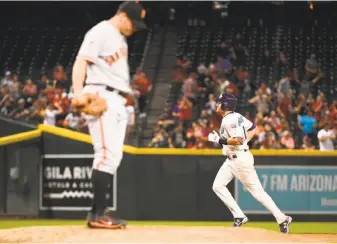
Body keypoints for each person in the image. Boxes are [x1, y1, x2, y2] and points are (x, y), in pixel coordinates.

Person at [71, 1, 147, 229]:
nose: (135, 28)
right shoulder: (101, 31)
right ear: (123, 16)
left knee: (113, 157)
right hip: (101, 95)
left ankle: (97, 213)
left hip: (118, 99)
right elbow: (81, 60)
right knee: (105, 154)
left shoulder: (120, 38)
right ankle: (97, 215)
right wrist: (77, 93)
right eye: (134, 23)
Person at [207, 93, 292, 234]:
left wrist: (218, 140)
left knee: (258, 193)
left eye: (219, 102)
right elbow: (253, 128)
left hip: (240, 160)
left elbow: (239, 140)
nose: (217, 104)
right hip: (231, 160)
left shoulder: (230, 120)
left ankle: (282, 218)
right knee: (217, 185)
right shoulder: (236, 116)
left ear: (226, 104)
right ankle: (239, 216)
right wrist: (242, 142)